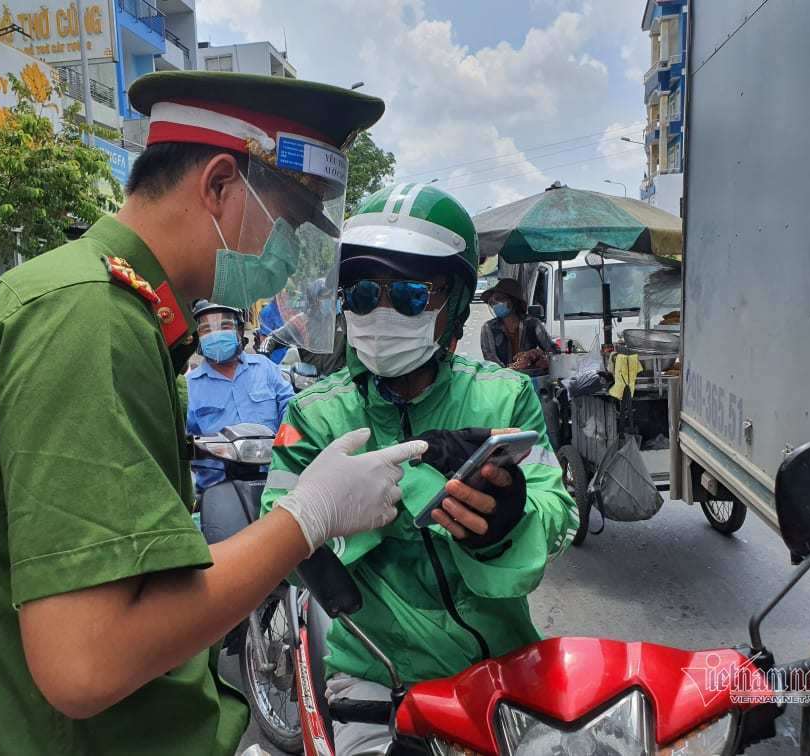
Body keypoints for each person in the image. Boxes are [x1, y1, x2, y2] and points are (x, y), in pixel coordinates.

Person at [0, 71, 430, 755]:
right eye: (288, 221)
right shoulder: (88, 318)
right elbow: (87, 663)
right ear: (219, 184)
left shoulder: (104, 305)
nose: (286, 258)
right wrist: (306, 519)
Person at [260, 183, 580, 755]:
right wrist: (353, 506)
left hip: (503, 671)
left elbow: (559, 514)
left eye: (409, 294)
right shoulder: (315, 414)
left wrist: (507, 526)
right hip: (375, 676)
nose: (381, 311)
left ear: (454, 304)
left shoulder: (504, 399)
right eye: (361, 293)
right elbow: (277, 551)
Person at [187, 299, 293, 494]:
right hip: (216, 491)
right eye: (206, 330)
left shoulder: (265, 368)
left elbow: (292, 409)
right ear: (197, 338)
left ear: (239, 330)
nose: (216, 334)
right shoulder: (188, 387)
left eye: (225, 326)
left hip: (276, 483)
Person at [480, 277, 559, 371]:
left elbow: (552, 350)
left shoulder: (533, 324)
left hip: (532, 378)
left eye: (499, 299)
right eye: (492, 302)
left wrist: (538, 356)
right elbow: (491, 360)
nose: (495, 304)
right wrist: (512, 369)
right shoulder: (489, 328)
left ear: (512, 301)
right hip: (503, 380)